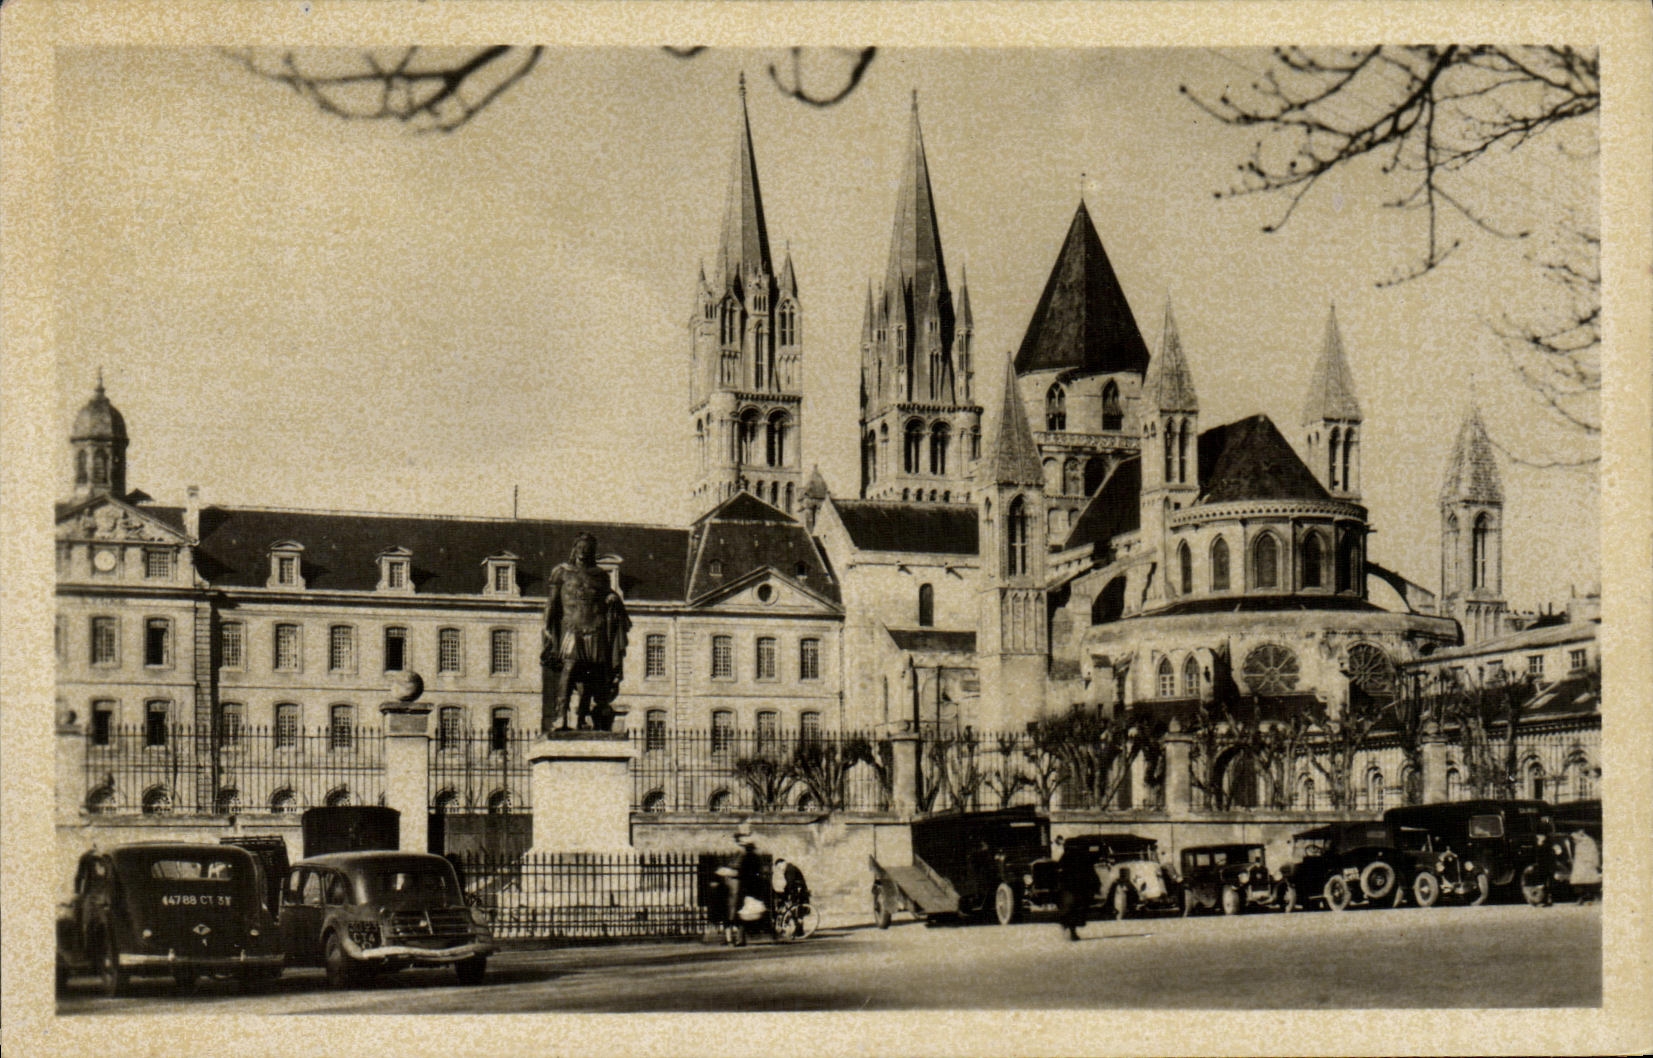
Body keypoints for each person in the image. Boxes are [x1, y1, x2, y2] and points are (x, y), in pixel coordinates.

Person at [540, 533, 631, 733]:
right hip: (571, 627)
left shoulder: (600, 575)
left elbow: (608, 595)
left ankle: (581, 717)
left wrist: (612, 598)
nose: (583, 550)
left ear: (592, 551)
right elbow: (552, 602)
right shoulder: (561, 572)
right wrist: (547, 627)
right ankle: (561, 716)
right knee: (569, 669)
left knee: (590, 675)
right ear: (575, 549)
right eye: (580, 546)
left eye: (588, 547)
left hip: (595, 627)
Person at [721, 827, 766, 946]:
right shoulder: (747, 855)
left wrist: (730, 872)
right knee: (740, 912)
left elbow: (743, 872)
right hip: (744, 887)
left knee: (741, 912)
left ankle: (740, 939)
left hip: (745, 887)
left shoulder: (746, 856)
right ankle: (738, 938)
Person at [1055, 836, 1099, 942]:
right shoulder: (1083, 857)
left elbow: (1060, 870)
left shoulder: (1067, 856)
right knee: (1073, 909)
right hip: (1074, 887)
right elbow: (1091, 873)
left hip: (1071, 887)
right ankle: (1070, 931)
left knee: (1071, 909)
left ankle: (1069, 930)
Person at [1568, 828, 1601, 903]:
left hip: (1587, 863)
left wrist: (1592, 861)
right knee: (1580, 881)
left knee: (1588, 880)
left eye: (1582, 831)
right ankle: (1582, 897)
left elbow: (1593, 852)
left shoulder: (1588, 841)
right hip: (1580, 863)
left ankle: (1590, 896)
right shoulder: (1578, 841)